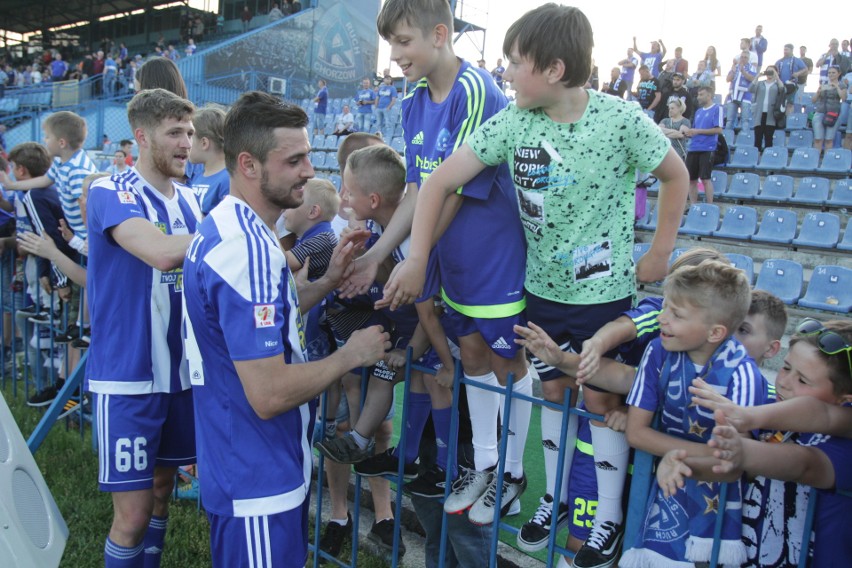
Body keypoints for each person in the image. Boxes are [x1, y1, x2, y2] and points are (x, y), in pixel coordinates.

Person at [382, 5, 687, 566]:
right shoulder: (514, 123)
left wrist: (661, 250)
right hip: (539, 292)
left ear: (553, 68)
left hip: (605, 297)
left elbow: (675, 174)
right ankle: (551, 496)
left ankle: (610, 517)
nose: (505, 76)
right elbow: (438, 183)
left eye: (514, 64)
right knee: (551, 391)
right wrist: (418, 254)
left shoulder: (622, 120)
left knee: (596, 398)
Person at [182, 91, 389, 568]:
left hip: (247, 464)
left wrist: (329, 280)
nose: (309, 172)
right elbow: (269, 392)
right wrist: (349, 355)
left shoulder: (233, 228)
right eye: (294, 160)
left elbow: (262, 318)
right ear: (250, 165)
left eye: (308, 158)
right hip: (256, 476)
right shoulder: (247, 250)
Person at [375, 0, 536, 526]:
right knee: (470, 354)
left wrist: (416, 257)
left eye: (403, 41)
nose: (395, 54)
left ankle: (512, 472)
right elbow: (419, 188)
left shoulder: (476, 90)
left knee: (509, 361)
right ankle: (485, 465)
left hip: (492, 254)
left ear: (440, 34)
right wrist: (381, 253)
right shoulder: (413, 100)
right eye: (391, 43)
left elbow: (459, 188)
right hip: (447, 256)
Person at [85, 88, 201, 567]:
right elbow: (158, 251)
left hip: (181, 378)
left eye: (191, 133)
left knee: (161, 490)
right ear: (141, 136)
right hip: (129, 376)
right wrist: (230, 236)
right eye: (174, 132)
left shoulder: (194, 201)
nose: (186, 143)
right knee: (131, 518)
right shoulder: (109, 191)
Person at [667, 318, 852, 568]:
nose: (784, 381)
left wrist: (742, 447)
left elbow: (804, 463)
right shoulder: (771, 411)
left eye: (803, 381)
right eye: (786, 368)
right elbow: (730, 470)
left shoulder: (842, 444)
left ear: (845, 400)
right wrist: (684, 465)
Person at [620, 261, 769, 567]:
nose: (662, 319)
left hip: (719, 510)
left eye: (676, 314)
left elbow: (734, 462)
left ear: (715, 332)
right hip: (661, 488)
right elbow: (636, 433)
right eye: (665, 308)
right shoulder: (657, 351)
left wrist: (679, 458)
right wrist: (693, 454)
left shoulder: (743, 375)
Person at [188, 104, 229, 216]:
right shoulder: (198, 176)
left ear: (204, 143)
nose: (186, 143)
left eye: (190, 136)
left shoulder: (228, 180)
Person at [685, 86, 723, 205]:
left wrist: (698, 131)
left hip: (707, 148)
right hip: (693, 147)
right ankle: (693, 206)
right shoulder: (698, 111)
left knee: (706, 179)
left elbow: (718, 130)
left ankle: (710, 206)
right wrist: (690, 132)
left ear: (709, 95)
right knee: (691, 180)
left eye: (701, 94)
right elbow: (696, 129)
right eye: (698, 95)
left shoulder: (717, 108)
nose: (698, 97)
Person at [749, 64, 784, 152]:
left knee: (769, 139)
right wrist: (757, 77)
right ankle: (756, 157)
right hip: (759, 114)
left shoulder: (776, 85)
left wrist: (777, 77)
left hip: (771, 115)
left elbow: (783, 90)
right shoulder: (761, 83)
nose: (769, 73)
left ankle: (767, 157)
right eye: (768, 71)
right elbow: (750, 89)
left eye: (772, 71)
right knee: (758, 138)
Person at [812, 66, 846, 152]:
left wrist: (837, 87)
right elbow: (813, 100)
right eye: (829, 72)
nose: (831, 74)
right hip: (820, 112)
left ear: (839, 74)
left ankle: (826, 162)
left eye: (833, 72)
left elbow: (844, 98)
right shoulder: (824, 85)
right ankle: (815, 160)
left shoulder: (842, 85)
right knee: (818, 139)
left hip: (833, 114)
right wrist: (818, 92)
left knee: (829, 139)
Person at [725, 50, 756, 130]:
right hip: (732, 95)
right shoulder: (735, 66)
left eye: (745, 57)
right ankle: (727, 139)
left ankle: (745, 137)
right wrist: (733, 71)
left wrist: (743, 72)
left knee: (745, 120)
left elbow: (753, 79)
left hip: (745, 96)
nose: (743, 59)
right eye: (742, 57)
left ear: (748, 59)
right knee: (729, 120)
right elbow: (728, 79)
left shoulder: (752, 67)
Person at [775, 43, 809, 114]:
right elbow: (773, 69)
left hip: (791, 85)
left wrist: (798, 73)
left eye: (787, 50)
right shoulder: (779, 61)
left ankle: (788, 121)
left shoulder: (797, 60)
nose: (785, 51)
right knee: (779, 103)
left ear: (791, 50)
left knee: (790, 104)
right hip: (780, 85)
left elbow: (805, 69)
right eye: (784, 49)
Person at [659, 98, 690, 162]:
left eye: (672, 108)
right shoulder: (665, 120)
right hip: (664, 153)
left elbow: (680, 135)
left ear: (679, 108)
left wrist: (665, 132)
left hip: (678, 154)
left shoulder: (685, 121)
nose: (670, 110)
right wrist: (674, 132)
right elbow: (658, 131)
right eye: (669, 108)